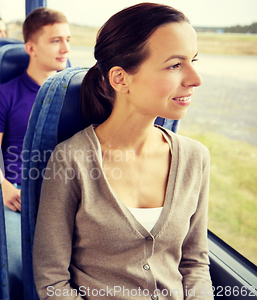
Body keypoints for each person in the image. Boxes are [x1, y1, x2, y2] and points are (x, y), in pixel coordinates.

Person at [33, 3, 212, 300]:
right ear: (120, 79)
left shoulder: (196, 158)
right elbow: (52, 282)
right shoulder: (71, 160)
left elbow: (195, 263)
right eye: (175, 65)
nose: (196, 79)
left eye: (193, 60)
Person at [0, 7, 70, 300]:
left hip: (67, 193)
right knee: (20, 267)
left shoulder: (78, 94)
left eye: (68, 40)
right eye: (55, 41)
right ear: (31, 48)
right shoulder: (2, 95)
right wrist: (3, 186)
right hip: (18, 195)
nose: (66, 49)